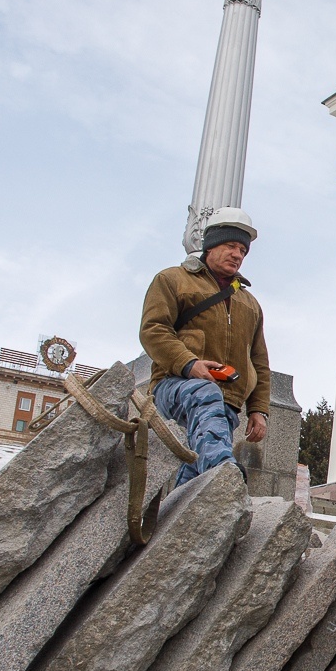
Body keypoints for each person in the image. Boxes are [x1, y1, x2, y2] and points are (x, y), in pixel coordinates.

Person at [138, 207, 270, 486]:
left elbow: (259, 361)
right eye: (231, 246)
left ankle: (182, 513)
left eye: (243, 251)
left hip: (228, 402)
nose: (237, 254)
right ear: (211, 246)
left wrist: (258, 409)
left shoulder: (251, 304)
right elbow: (153, 330)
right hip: (175, 385)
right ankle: (223, 471)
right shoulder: (172, 280)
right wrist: (189, 364)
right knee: (204, 396)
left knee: (194, 475)